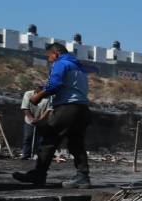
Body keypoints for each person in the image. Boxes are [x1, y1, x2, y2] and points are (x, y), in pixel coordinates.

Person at [13, 43, 93, 188]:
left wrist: (38, 97)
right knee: (76, 143)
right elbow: (67, 85)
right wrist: (44, 89)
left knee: (49, 139)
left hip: (67, 107)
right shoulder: (78, 67)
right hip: (82, 108)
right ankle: (83, 177)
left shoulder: (61, 63)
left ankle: (39, 174)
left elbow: (55, 85)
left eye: (49, 56)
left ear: (55, 53)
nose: (49, 60)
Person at [19, 86, 52, 159]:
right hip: (29, 120)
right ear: (36, 91)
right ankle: (26, 154)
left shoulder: (49, 97)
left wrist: (40, 120)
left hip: (42, 121)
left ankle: (39, 156)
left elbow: (48, 110)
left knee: (40, 140)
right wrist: (31, 119)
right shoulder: (28, 94)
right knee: (28, 137)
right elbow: (25, 108)